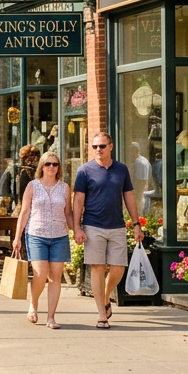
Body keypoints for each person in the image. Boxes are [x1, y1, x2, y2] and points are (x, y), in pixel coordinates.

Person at [73, 132, 144, 329]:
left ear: (111, 147)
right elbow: (78, 200)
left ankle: (105, 295)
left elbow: (128, 196)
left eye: (102, 146)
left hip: (117, 225)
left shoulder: (121, 169)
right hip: (93, 224)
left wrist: (136, 223)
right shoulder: (84, 171)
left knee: (118, 267)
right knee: (97, 267)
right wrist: (77, 227)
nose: (98, 150)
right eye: (95, 146)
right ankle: (101, 314)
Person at [13, 152, 73, 329]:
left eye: (55, 164)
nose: (51, 167)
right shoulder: (33, 186)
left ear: (58, 167)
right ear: (42, 166)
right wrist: (17, 237)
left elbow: (68, 212)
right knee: (39, 274)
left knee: (55, 277)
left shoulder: (64, 188)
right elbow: (24, 212)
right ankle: (33, 305)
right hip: (37, 234)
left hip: (59, 236)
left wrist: (76, 230)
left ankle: (51, 317)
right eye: (47, 164)